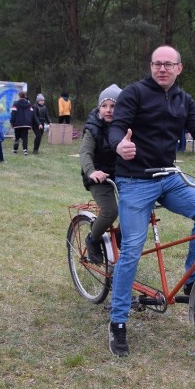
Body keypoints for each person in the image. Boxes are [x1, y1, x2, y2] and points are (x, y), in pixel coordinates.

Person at [106, 45, 195, 357]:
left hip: (168, 177)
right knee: (131, 248)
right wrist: (119, 145)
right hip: (135, 179)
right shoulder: (134, 94)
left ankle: (193, 281)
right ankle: (117, 321)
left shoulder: (183, 100)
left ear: (179, 68)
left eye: (169, 64)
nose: (163, 69)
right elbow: (116, 127)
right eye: (158, 64)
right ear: (150, 66)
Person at [79, 84, 121, 264]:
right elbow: (85, 153)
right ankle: (93, 240)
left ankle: (120, 235)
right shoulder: (92, 128)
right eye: (105, 106)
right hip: (98, 177)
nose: (109, 110)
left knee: (136, 206)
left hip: (121, 174)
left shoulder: (124, 125)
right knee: (110, 211)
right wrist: (92, 171)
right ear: (99, 108)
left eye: (113, 106)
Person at [10, 91, 35, 156]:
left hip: (17, 123)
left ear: (19, 96)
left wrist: (12, 122)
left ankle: (15, 149)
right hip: (26, 123)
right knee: (25, 137)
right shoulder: (29, 104)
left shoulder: (15, 103)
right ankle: (25, 150)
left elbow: (13, 113)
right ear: (25, 96)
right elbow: (32, 113)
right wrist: (30, 122)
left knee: (17, 136)